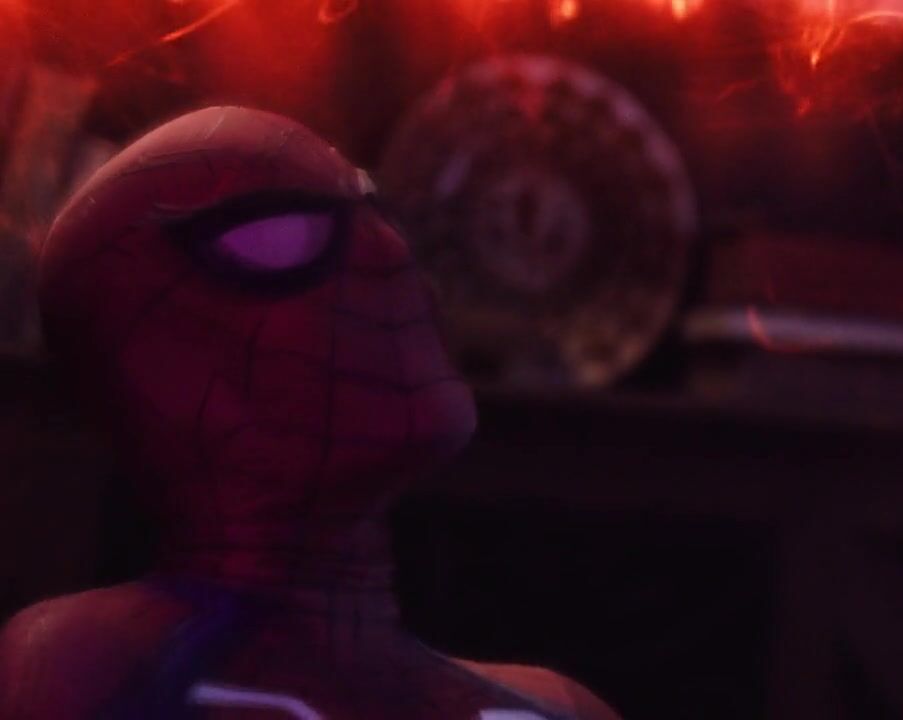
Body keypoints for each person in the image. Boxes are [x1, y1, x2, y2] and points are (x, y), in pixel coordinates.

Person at [0, 106, 619, 720]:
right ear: (157, 368)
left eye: (375, 209)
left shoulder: (559, 706)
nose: (390, 252)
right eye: (278, 234)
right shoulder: (81, 660)